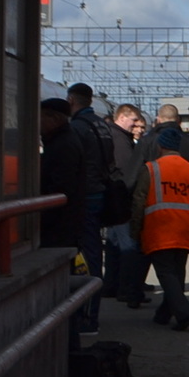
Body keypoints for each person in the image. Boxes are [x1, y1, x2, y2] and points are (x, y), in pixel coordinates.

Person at [130, 126, 189, 329]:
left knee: (166, 273)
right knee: (177, 272)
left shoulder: (151, 168)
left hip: (160, 226)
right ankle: (163, 314)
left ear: (161, 146)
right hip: (185, 227)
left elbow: (139, 201)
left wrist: (136, 230)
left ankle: (184, 313)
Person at [64, 84, 112, 285]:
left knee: (86, 246)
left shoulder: (77, 127)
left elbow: (72, 162)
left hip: (85, 194)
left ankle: (89, 290)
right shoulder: (102, 126)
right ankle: (95, 286)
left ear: (71, 101)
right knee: (94, 246)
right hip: (100, 191)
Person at [101, 104, 144, 303]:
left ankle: (111, 284)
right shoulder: (120, 140)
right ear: (122, 117)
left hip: (113, 198)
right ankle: (126, 288)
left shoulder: (116, 137)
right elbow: (128, 172)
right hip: (121, 199)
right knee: (129, 246)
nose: (137, 125)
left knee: (114, 244)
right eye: (134, 120)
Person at [38, 99, 88, 253]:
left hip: (60, 224)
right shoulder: (64, 140)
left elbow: (62, 185)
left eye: (41, 118)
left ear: (54, 119)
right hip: (66, 222)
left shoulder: (62, 145)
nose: (37, 123)